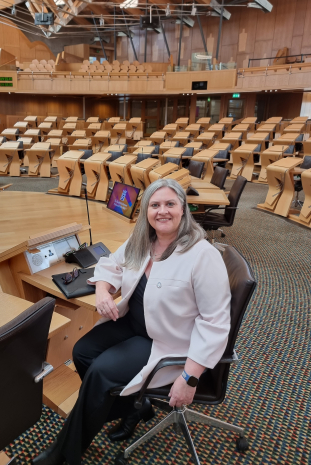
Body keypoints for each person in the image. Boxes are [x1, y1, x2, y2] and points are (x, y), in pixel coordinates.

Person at [32, 178, 231, 465]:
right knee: (82, 352)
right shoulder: (144, 240)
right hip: (135, 323)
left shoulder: (203, 256)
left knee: (100, 373)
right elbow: (110, 264)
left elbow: (215, 323)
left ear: (183, 209)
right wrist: (102, 289)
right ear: (146, 211)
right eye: (155, 205)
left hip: (166, 340)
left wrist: (189, 377)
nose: (162, 211)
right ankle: (133, 407)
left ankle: (63, 454)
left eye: (170, 204)